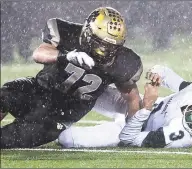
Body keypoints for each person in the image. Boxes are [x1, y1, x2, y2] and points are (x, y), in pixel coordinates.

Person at [0, 7, 143, 148]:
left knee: (6, 139)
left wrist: (132, 131)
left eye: (112, 48)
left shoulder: (124, 62)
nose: (104, 52)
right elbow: (39, 54)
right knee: (4, 94)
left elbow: (132, 97)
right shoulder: (68, 33)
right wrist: (65, 56)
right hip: (37, 92)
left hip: (58, 116)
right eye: (100, 45)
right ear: (87, 33)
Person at [58, 65, 192, 148]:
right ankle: (45, 101)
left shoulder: (179, 137)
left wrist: (147, 106)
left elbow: (128, 137)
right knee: (82, 87)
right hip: (136, 104)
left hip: (128, 127)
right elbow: (167, 73)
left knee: (67, 139)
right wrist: (157, 73)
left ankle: (47, 124)